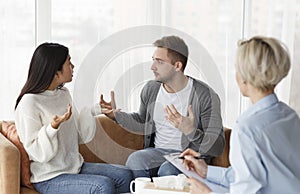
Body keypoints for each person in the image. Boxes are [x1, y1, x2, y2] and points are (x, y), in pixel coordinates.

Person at [180, 36, 300, 194]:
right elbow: (248, 176)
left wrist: (206, 192)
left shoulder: (247, 128)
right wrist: (206, 171)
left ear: (244, 78)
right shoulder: (289, 115)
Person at [100, 35, 225, 179]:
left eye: (159, 62)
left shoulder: (206, 95)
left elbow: (218, 147)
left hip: (189, 155)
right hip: (159, 152)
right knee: (136, 160)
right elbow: (142, 120)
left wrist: (190, 130)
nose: (152, 67)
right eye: (153, 60)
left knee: (167, 171)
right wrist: (116, 116)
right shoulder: (151, 89)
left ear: (177, 66)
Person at [14, 43, 132, 194]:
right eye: (69, 62)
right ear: (55, 72)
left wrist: (95, 110)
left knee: (125, 175)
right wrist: (52, 128)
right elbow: (36, 152)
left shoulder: (63, 93)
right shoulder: (29, 103)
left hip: (74, 167)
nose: (73, 66)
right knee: (103, 186)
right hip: (49, 177)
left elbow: (78, 133)